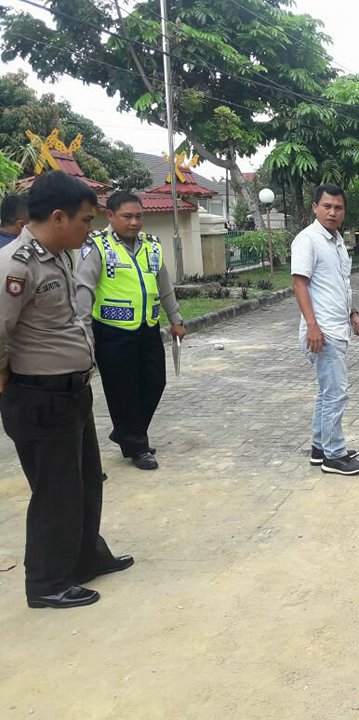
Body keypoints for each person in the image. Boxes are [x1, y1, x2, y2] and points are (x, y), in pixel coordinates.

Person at [0, 171, 133, 609]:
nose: (89, 229)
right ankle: (46, 583)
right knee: (55, 492)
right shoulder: (16, 265)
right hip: (40, 398)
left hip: (71, 393)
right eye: (85, 220)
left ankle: (85, 559)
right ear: (57, 217)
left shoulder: (59, 255)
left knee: (85, 482)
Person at [75, 191, 186, 470]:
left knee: (154, 382)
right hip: (112, 331)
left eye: (139, 216)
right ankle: (137, 446)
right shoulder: (97, 246)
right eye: (127, 216)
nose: (134, 222)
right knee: (123, 390)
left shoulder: (152, 245)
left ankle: (126, 432)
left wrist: (176, 319)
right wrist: (85, 329)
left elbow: (165, 286)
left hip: (147, 327)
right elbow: (84, 288)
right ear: (110, 216)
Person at [290, 183, 359, 475]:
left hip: (337, 327)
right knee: (336, 393)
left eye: (338, 207)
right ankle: (334, 457)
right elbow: (299, 283)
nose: (332, 212)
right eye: (327, 206)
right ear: (315, 207)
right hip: (322, 332)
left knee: (327, 393)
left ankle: (320, 448)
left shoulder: (336, 242)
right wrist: (312, 326)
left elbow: (340, 285)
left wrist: (353, 314)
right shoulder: (307, 240)